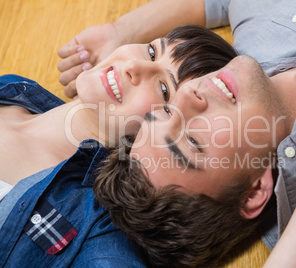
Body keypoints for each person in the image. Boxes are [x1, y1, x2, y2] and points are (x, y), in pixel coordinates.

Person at [59, 0, 296, 267]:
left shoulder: (252, 30)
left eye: (165, 110)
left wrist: (122, 30)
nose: (187, 96)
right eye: (192, 140)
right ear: (254, 192)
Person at [0, 25, 237, 266]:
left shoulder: (98, 234)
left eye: (164, 89)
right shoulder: (14, 88)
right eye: (153, 52)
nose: (134, 66)